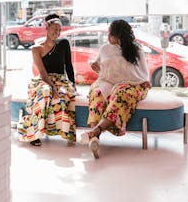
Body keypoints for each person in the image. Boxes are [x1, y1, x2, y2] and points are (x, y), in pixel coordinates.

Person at [80, 19, 151, 158]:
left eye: (110, 34)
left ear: (118, 36)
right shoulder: (105, 49)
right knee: (96, 93)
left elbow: (142, 73)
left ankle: (95, 131)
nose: (107, 37)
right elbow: (102, 69)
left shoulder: (136, 50)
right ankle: (94, 139)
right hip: (107, 82)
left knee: (121, 92)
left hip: (134, 85)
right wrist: (95, 66)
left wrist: (145, 81)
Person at [17, 13, 76, 146]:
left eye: (59, 30)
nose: (57, 32)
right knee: (45, 92)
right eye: (54, 29)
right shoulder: (36, 49)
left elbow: (69, 66)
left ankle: (65, 132)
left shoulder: (64, 44)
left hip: (61, 80)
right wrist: (52, 87)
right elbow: (42, 73)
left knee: (60, 98)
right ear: (47, 29)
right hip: (43, 80)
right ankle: (33, 134)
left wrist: (73, 84)